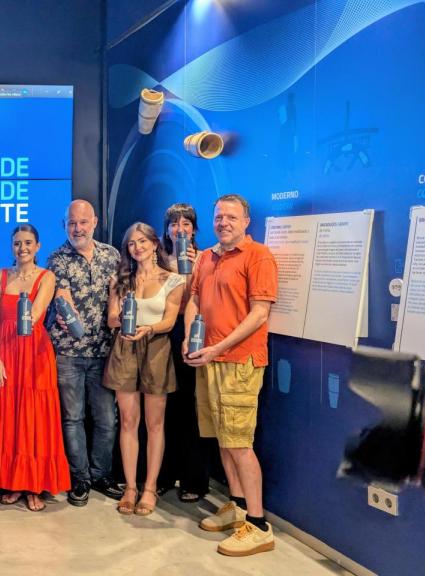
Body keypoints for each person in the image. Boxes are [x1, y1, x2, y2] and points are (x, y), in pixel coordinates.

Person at [184, 194, 278, 556]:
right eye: (219, 216)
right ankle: (237, 507)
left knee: (239, 443)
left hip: (239, 362)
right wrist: (191, 339)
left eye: (231, 217)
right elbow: (193, 299)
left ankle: (258, 525)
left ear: (246, 221)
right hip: (207, 360)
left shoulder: (259, 257)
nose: (224, 222)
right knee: (223, 439)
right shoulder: (206, 257)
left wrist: (219, 347)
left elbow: (259, 314)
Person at [0, 224, 70, 511]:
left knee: (35, 417)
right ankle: (13, 482)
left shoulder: (47, 277)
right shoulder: (0, 275)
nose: (22, 248)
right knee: (9, 416)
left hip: (34, 353)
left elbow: (34, 315)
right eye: (17, 243)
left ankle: (34, 485)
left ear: (38, 246)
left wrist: (26, 318)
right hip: (6, 353)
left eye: (28, 243)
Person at [105, 223, 185, 516]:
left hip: (157, 349)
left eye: (142, 241)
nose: (136, 247)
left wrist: (146, 328)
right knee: (128, 421)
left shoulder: (174, 279)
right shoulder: (120, 279)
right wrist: (122, 319)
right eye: (131, 244)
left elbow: (169, 321)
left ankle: (149, 488)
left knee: (155, 424)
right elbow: (112, 318)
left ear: (154, 244)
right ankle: (129, 486)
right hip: (124, 349)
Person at [47, 199, 124, 506]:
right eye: (71, 223)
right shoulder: (57, 259)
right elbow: (63, 299)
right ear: (64, 225)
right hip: (68, 352)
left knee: (107, 419)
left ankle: (101, 474)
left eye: (82, 222)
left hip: (105, 352)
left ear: (94, 223)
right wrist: (69, 320)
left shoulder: (112, 255)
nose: (77, 229)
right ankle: (79, 479)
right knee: (73, 418)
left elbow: (119, 294)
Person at [156, 203, 211, 503]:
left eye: (186, 224)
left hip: (192, 335)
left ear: (194, 229)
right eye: (174, 223)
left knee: (192, 408)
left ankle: (194, 479)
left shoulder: (204, 258)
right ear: (166, 229)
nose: (180, 229)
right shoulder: (157, 259)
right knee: (164, 409)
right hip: (161, 336)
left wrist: (191, 269)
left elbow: (198, 300)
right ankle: (164, 474)